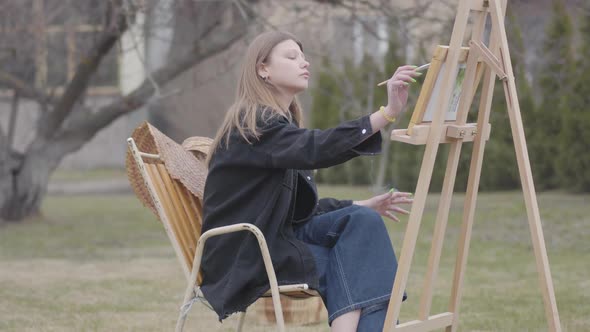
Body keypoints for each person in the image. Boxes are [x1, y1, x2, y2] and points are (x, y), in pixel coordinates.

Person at [201, 31, 419, 332]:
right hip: (250, 254)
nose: (304, 63)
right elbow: (315, 148)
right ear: (262, 68)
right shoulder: (253, 123)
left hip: (278, 239)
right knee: (362, 265)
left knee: (364, 222)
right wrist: (387, 114)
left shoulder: (278, 126)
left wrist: (359, 204)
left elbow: (295, 209)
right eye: (291, 57)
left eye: (304, 57)